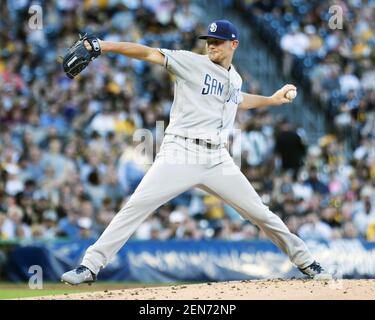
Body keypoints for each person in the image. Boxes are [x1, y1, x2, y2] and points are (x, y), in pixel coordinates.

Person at [61, 20, 331, 285]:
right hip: (180, 150)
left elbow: (239, 100)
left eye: (217, 42)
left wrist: (271, 100)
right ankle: (90, 266)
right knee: (137, 206)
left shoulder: (234, 78)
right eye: (209, 41)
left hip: (217, 159)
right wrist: (100, 46)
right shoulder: (191, 62)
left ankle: (307, 262)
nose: (211, 46)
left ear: (234, 44)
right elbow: (146, 52)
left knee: (260, 213)